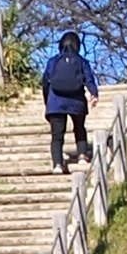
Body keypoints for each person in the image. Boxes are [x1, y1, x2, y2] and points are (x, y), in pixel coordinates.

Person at [39, 27, 96, 168]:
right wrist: (94, 93)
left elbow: (45, 81)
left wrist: (47, 101)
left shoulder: (53, 61)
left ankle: (57, 164)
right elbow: (88, 79)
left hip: (55, 103)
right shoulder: (82, 62)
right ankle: (82, 155)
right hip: (77, 101)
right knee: (79, 128)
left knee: (57, 136)